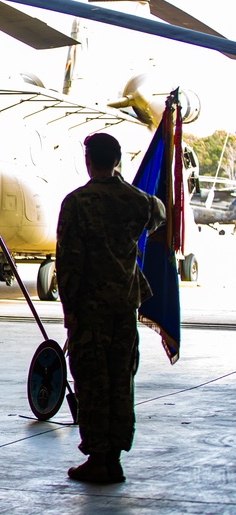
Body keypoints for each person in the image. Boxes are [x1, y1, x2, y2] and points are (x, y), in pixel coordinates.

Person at [56, 132, 166, 484]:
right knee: (121, 381)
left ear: (89, 160)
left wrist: (69, 308)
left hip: (90, 310)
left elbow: (69, 261)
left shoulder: (77, 202)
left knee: (92, 381)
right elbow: (161, 212)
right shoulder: (139, 202)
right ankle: (114, 457)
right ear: (117, 160)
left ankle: (98, 457)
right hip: (124, 307)